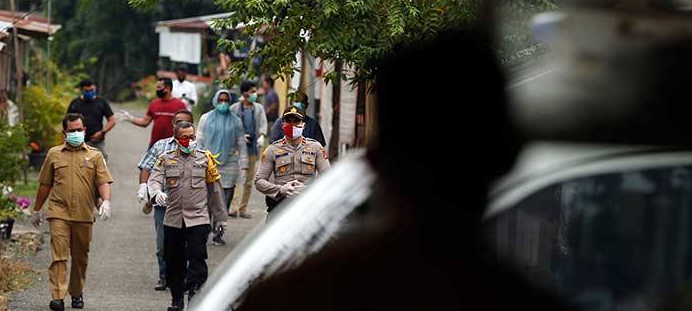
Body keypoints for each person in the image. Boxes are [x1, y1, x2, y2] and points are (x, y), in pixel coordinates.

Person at [239, 29, 575, 311]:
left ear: (374, 161)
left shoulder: (291, 297)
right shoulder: (528, 303)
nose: (294, 125)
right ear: (508, 158)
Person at [31, 113, 114, 311]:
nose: (76, 133)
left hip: (84, 215)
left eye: (79, 130)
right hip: (59, 212)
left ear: (85, 130)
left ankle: (76, 292)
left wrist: (106, 201)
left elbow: (103, 181)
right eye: (72, 131)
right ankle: (57, 296)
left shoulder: (94, 155)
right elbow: (45, 184)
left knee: (80, 257)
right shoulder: (54, 154)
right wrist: (36, 210)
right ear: (64, 133)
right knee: (59, 256)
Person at [148, 121, 228, 311]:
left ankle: (195, 294)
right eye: (185, 137)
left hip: (198, 218)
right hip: (173, 219)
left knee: (197, 258)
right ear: (176, 139)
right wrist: (156, 193)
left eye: (192, 137)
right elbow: (154, 179)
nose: (190, 140)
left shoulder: (204, 159)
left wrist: (221, 218)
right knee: (173, 261)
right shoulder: (165, 159)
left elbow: (215, 190)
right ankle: (177, 300)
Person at [136, 109, 194, 292]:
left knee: (186, 244)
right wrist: (145, 187)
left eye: (186, 122)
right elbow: (146, 167)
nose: (182, 125)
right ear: (173, 125)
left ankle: (183, 278)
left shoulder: (200, 147)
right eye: (178, 122)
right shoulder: (161, 146)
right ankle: (165, 277)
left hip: (190, 205)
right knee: (163, 245)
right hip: (164, 204)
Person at [255, 105, 330, 218]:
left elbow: (327, 177)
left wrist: (308, 189)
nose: (292, 125)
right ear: (282, 125)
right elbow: (259, 181)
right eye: (288, 121)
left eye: (296, 121)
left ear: (303, 125)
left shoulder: (315, 147)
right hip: (280, 207)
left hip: (308, 206)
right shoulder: (272, 150)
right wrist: (281, 190)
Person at [196, 89, 247, 244]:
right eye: (220, 100)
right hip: (208, 163)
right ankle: (205, 228)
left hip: (230, 165)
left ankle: (219, 231)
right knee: (208, 198)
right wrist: (197, 160)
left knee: (225, 199)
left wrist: (244, 166)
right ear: (215, 101)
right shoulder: (205, 118)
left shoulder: (236, 121)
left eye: (226, 100)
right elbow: (199, 141)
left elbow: (241, 144)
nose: (223, 103)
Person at [228, 80, 268, 218]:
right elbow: (231, 126)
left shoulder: (258, 108)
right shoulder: (234, 108)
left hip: (252, 148)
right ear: (244, 93)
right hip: (238, 149)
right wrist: (239, 137)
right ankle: (233, 207)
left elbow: (263, 123)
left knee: (249, 180)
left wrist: (262, 135)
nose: (254, 94)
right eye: (252, 91)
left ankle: (243, 208)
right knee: (238, 178)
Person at [118, 77, 186, 149]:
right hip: (154, 145)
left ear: (168, 88)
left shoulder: (180, 105)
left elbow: (185, 127)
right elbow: (145, 122)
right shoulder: (154, 103)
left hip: (173, 147)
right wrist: (130, 118)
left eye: (159, 87)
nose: (157, 90)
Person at [67, 79, 116, 160]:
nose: (90, 92)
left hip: (96, 141)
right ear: (81, 90)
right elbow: (67, 122)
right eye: (87, 91)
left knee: (99, 164)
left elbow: (112, 120)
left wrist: (102, 132)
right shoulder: (75, 103)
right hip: (77, 141)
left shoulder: (101, 102)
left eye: (92, 90)